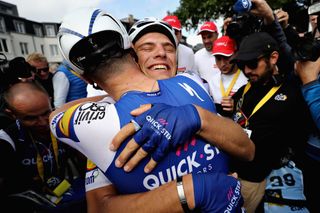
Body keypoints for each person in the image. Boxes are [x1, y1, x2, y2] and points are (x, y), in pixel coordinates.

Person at [50, 8, 254, 212]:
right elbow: (99, 207)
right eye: (148, 47)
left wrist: (196, 116)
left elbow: (248, 150)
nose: (161, 53)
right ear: (132, 55)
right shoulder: (102, 121)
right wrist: (186, 192)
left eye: (169, 47)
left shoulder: (195, 85)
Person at [229, 31, 311, 213]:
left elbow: (302, 138)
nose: (247, 71)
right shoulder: (244, 89)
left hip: (266, 180)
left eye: (252, 63)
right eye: (242, 65)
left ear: (273, 58)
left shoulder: (293, 93)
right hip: (235, 175)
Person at [0, 81, 86, 212]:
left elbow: (86, 164)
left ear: (50, 101)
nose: (42, 122)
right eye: (30, 118)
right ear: (12, 114)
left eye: (46, 113)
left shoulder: (65, 124)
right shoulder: (6, 140)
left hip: (69, 193)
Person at [210, 35, 248, 116]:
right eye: (218, 59)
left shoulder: (247, 79)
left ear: (236, 54)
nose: (222, 64)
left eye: (226, 57)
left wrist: (237, 106)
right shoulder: (212, 81)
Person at [194, 21, 220, 93]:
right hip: (206, 100)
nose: (206, 41)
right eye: (203, 38)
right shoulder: (197, 56)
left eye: (209, 37)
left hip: (226, 100)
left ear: (217, 35)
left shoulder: (225, 54)